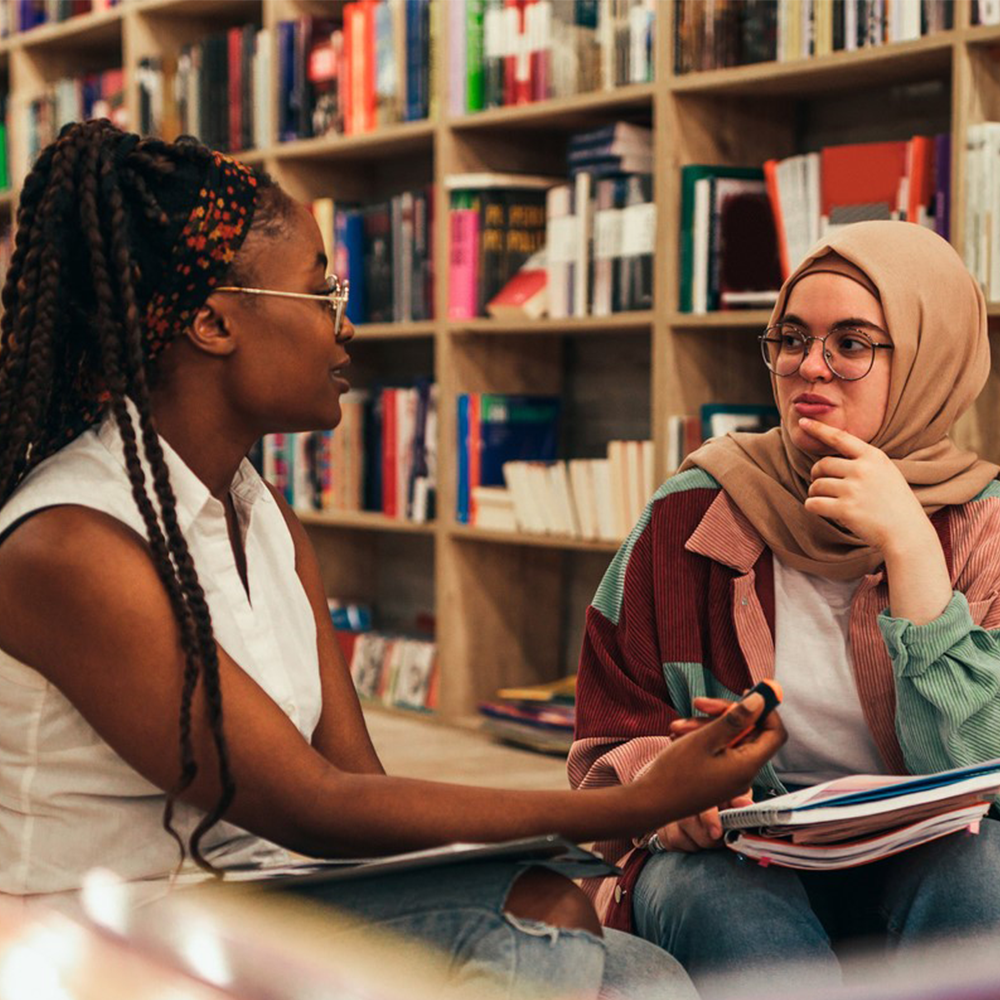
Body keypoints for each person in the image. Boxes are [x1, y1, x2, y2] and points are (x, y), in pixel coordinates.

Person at [0, 121, 785, 1000]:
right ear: (214, 321)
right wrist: (627, 805)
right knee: (544, 920)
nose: (348, 325)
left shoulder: (259, 513)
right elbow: (309, 804)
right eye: (321, 291)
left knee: (641, 973)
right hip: (99, 941)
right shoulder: (69, 544)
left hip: (256, 900)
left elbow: (355, 789)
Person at [569, 220, 1000, 992]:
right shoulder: (691, 511)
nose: (811, 367)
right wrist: (670, 794)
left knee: (984, 881)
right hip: (734, 856)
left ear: (933, 355)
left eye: (853, 342)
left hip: (938, 850)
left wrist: (911, 549)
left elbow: (981, 764)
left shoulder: (983, 524)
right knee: (722, 901)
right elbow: (606, 736)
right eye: (792, 337)